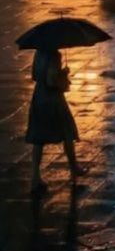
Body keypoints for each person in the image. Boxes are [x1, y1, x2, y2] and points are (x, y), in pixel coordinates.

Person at [25, 49, 83, 193]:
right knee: (67, 132)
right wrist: (63, 74)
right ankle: (74, 167)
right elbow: (51, 82)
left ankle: (35, 177)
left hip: (39, 97)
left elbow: (35, 76)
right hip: (53, 100)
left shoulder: (39, 52)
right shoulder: (54, 55)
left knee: (38, 139)